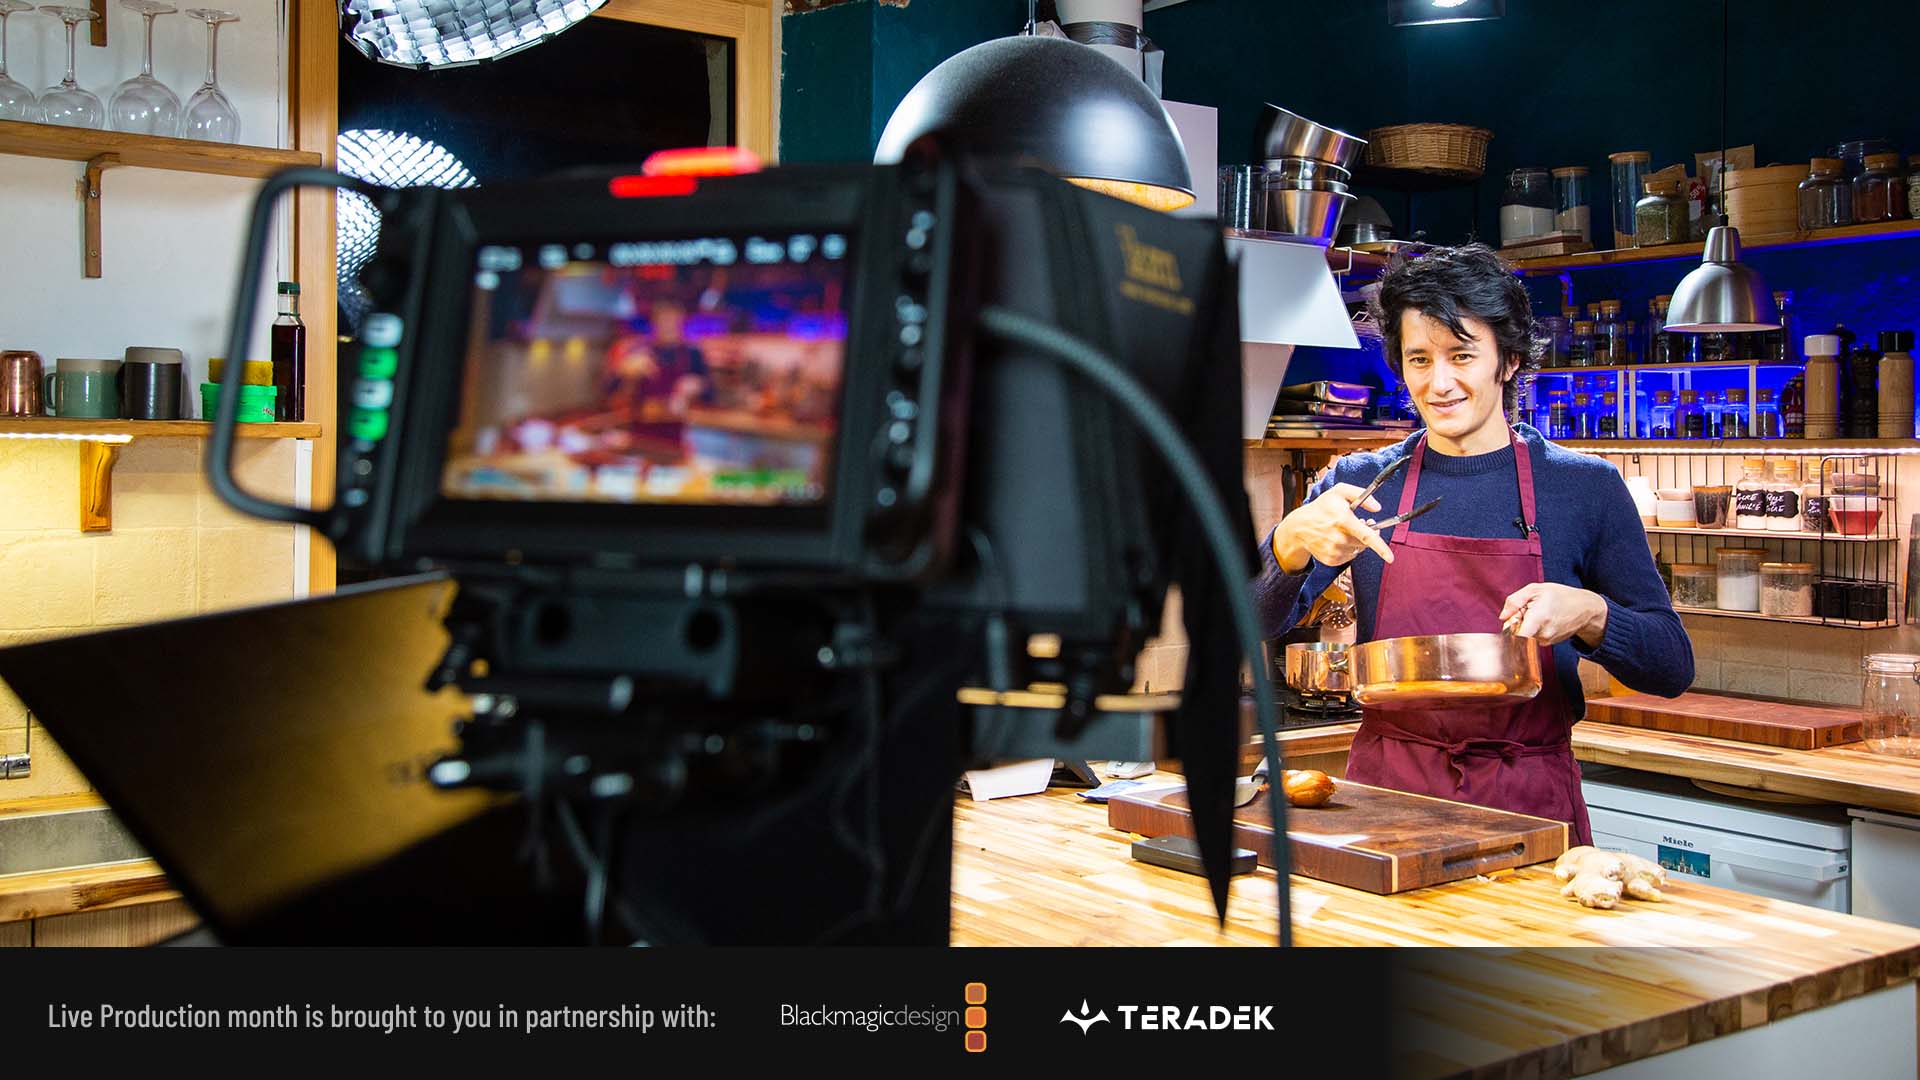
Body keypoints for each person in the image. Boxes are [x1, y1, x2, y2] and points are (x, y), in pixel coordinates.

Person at [1253, 245, 1690, 843]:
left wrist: (1592, 614)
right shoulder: (1361, 483)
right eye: (1419, 359)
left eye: (1461, 356)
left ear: (1508, 360)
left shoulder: (1584, 487)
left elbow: (1670, 667)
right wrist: (1288, 542)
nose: (1439, 383)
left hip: (1530, 801)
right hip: (1388, 798)